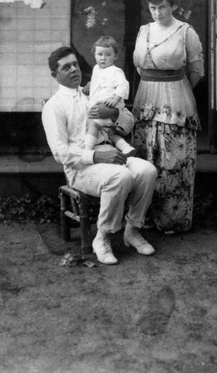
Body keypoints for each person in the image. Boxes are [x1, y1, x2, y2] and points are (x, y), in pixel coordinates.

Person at [42, 46, 157, 265]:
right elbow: (60, 152)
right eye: (66, 67)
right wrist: (96, 157)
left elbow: (128, 124)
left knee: (147, 170)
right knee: (120, 177)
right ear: (55, 75)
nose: (74, 69)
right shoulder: (54, 106)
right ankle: (102, 237)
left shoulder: (95, 93)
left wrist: (114, 113)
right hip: (82, 168)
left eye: (75, 64)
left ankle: (132, 230)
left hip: (110, 153)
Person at [132, 0, 204, 234]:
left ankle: (172, 220)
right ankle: (143, 218)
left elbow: (196, 70)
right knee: (146, 160)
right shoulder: (143, 30)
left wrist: (177, 91)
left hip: (175, 103)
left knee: (173, 163)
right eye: (153, 7)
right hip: (146, 100)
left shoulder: (186, 32)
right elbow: (140, 67)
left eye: (162, 7)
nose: (157, 12)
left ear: (172, 5)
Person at [84, 36, 136, 157]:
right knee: (109, 132)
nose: (103, 58)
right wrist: (90, 85)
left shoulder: (115, 71)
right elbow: (100, 82)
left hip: (109, 105)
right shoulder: (96, 69)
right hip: (100, 105)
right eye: (100, 54)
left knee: (93, 125)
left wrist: (115, 99)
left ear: (115, 56)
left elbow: (123, 86)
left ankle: (87, 150)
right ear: (94, 55)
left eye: (108, 55)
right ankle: (126, 147)